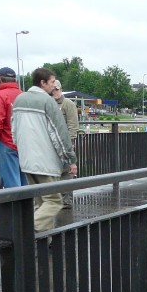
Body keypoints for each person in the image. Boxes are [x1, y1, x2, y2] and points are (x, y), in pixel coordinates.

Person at [11, 66, 77, 232]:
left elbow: (14, 130)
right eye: (52, 82)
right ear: (43, 82)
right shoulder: (48, 102)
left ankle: (42, 242)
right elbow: (59, 134)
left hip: (27, 160)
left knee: (40, 202)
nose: (54, 86)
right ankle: (27, 231)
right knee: (54, 201)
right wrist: (70, 159)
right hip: (45, 162)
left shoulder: (19, 99)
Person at [0, 66, 26, 187]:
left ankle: (13, 206)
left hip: (5, 142)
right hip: (23, 143)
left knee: (11, 185)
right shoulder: (23, 95)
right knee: (25, 184)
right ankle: (27, 206)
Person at [51, 78, 79, 207]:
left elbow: (73, 126)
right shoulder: (48, 103)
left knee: (67, 173)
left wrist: (70, 144)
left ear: (61, 90)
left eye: (56, 90)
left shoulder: (68, 104)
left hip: (65, 145)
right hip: (51, 145)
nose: (54, 92)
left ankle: (66, 202)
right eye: (52, 90)